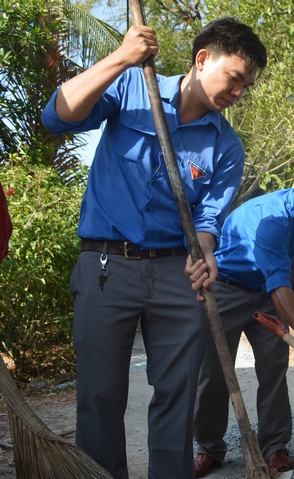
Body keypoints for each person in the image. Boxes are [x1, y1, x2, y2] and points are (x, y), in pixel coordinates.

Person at [42, 18, 267, 479]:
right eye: (234, 78)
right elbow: (57, 116)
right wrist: (121, 57)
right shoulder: (131, 86)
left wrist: (206, 252)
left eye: (246, 86)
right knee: (99, 396)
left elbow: (207, 221)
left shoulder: (226, 146)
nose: (238, 93)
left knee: (176, 397)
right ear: (202, 59)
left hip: (176, 275)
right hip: (105, 266)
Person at [186, 154, 294, 477]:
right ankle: (209, 448)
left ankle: (274, 446)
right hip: (227, 288)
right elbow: (278, 285)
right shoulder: (271, 217)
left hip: (266, 293)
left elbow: (289, 261)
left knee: (274, 368)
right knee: (214, 372)